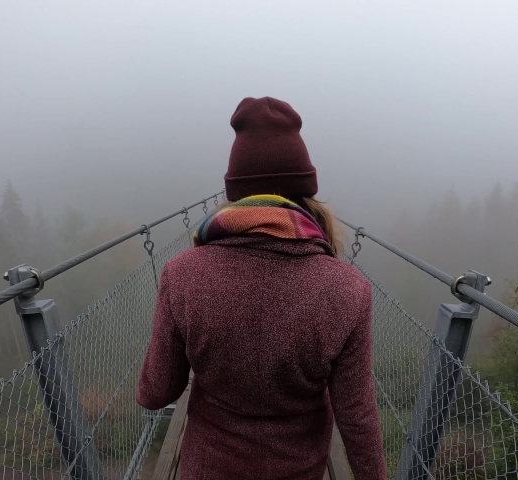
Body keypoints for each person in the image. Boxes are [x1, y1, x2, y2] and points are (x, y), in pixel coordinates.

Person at [136, 96, 386, 479]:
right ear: (306, 193)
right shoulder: (348, 289)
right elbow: (357, 417)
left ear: (235, 194)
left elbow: (155, 394)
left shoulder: (182, 274)